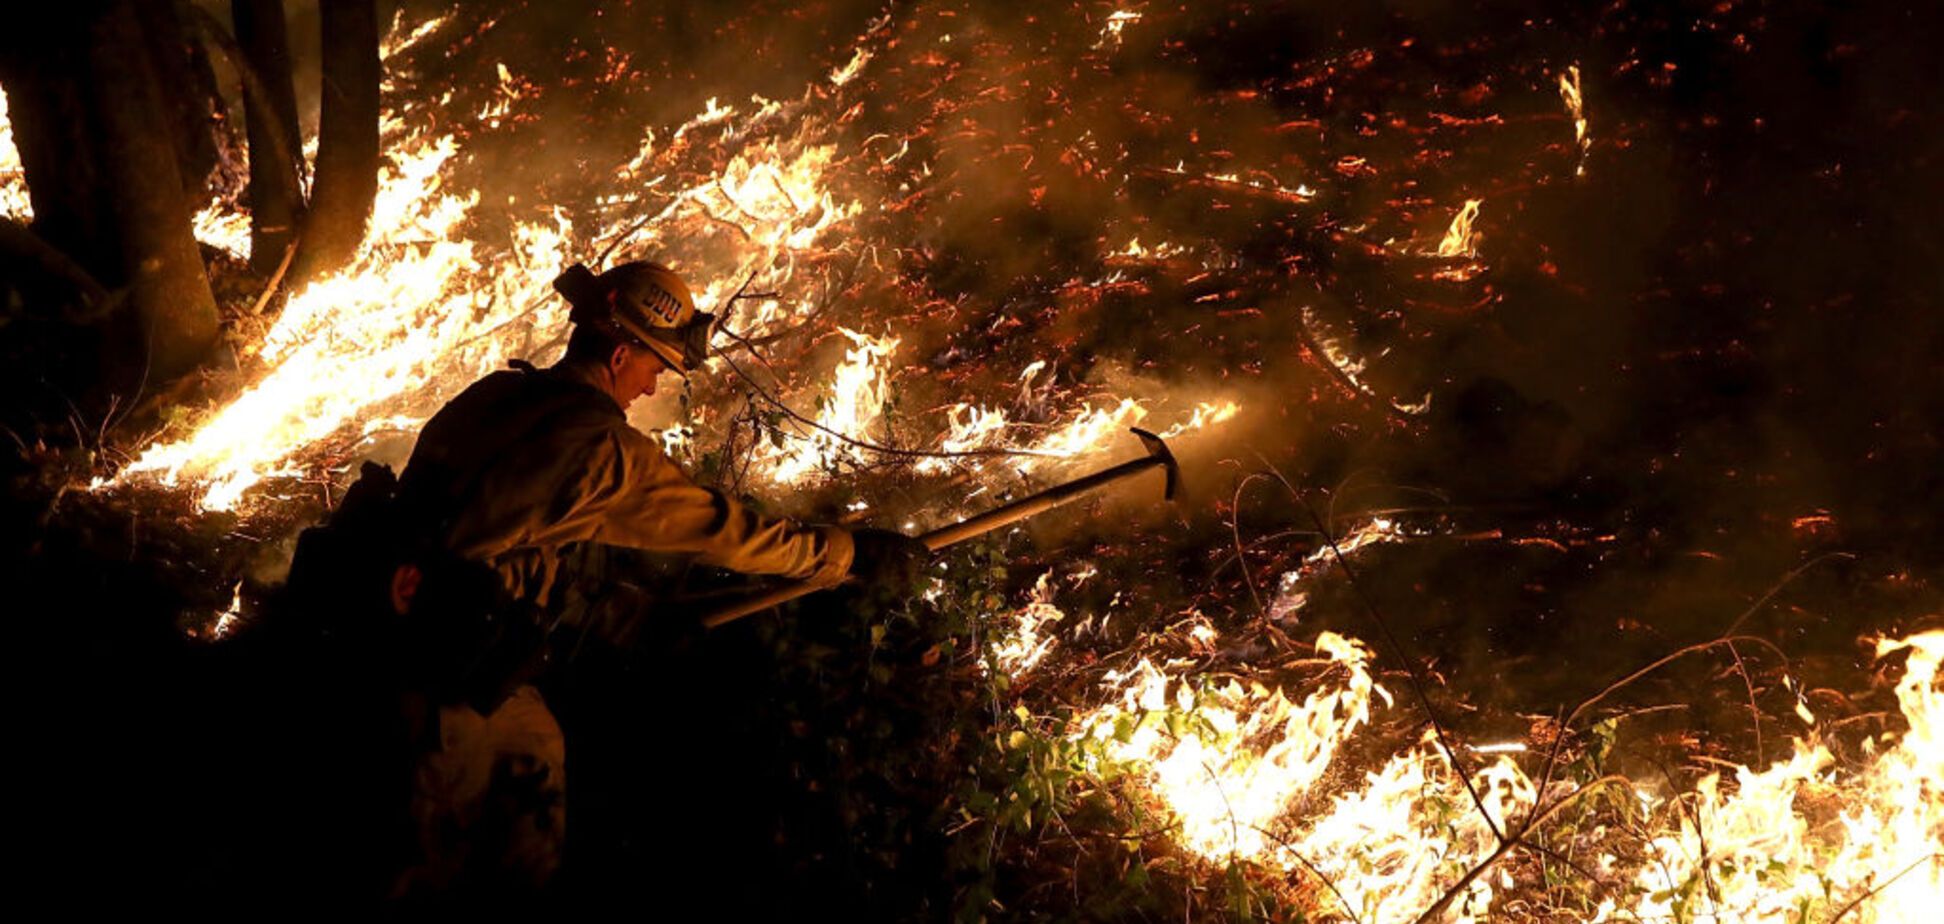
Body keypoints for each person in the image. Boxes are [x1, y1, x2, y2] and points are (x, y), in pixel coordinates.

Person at [368, 259, 927, 900]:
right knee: (424, 866)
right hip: (438, 682)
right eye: (654, 367)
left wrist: (619, 616)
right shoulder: (602, 453)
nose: (651, 386)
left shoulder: (494, 395)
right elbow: (723, 530)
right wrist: (845, 555)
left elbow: (506, 530)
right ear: (619, 353)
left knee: (534, 758)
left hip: (437, 653)